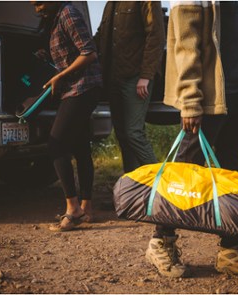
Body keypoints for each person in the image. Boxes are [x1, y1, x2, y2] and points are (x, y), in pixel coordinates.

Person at [145, 1, 238, 280]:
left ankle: (231, 251)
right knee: (182, 174)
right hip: (206, 101)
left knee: (231, 177)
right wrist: (191, 102)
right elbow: (185, 46)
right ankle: (160, 241)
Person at [32, 1, 102, 231]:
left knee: (56, 144)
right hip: (75, 87)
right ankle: (86, 208)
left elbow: (89, 53)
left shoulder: (68, 13)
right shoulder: (54, 18)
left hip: (83, 87)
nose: (36, 8)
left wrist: (60, 75)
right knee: (81, 146)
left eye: (39, 3)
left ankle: (73, 209)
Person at [94, 1, 165, 173]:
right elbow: (101, 35)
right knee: (122, 135)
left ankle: (160, 184)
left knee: (134, 133)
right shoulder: (111, 3)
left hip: (136, 77)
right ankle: (131, 189)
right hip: (113, 77)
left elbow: (156, 36)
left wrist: (146, 76)